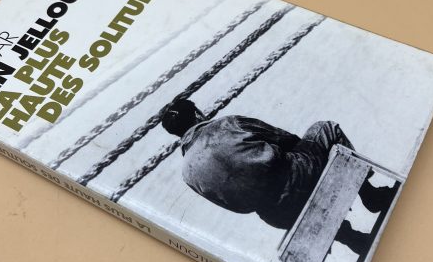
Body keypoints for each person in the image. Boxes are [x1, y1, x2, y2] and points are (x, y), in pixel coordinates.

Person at [161, 98, 397, 252]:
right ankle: (370, 195)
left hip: (278, 216)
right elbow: (287, 139)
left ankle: (351, 238)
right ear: (197, 115)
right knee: (326, 128)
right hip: (300, 177)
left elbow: (233, 206)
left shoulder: (188, 174)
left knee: (284, 195)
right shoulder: (227, 123)